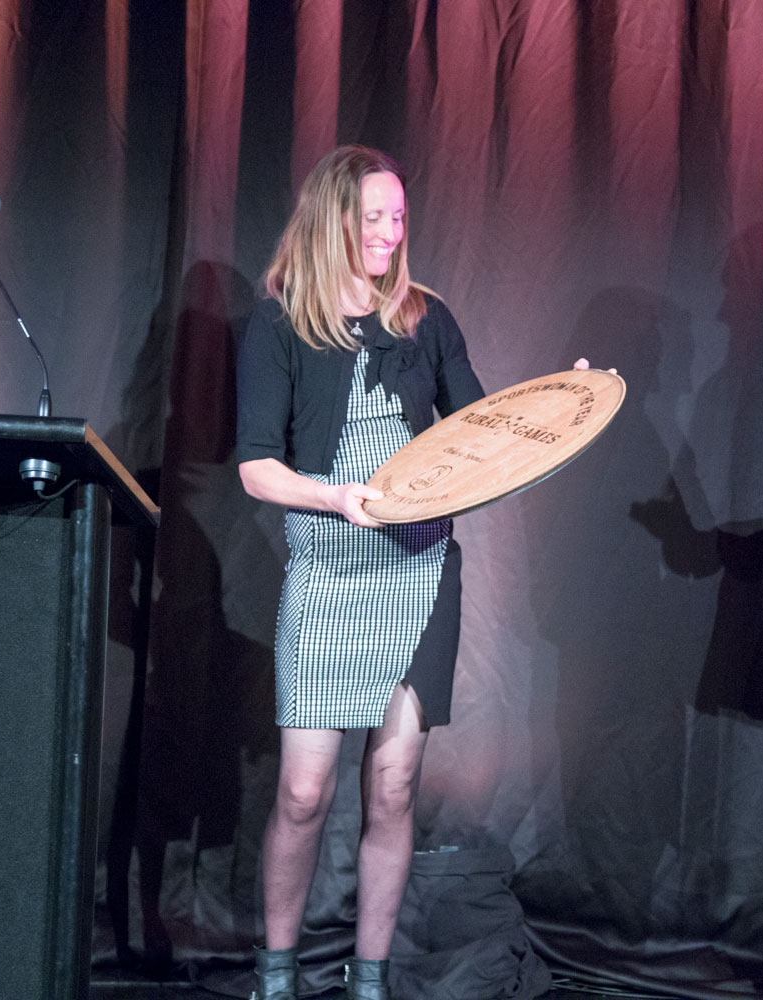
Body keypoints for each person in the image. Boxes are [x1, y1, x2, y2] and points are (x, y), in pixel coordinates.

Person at [234, 145, 486, 1000]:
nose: (388, 234)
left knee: (394, 784)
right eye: (371, 217)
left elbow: (480, 431)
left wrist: (561, 406)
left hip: (418, 577)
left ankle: (368, 977)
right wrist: (337, 499)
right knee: (303, 793)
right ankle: (276, 972)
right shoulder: (278, 323)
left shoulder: (427, 318)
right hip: (330, 573)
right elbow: (258, 468)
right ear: (331, 221)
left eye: (398, 218)